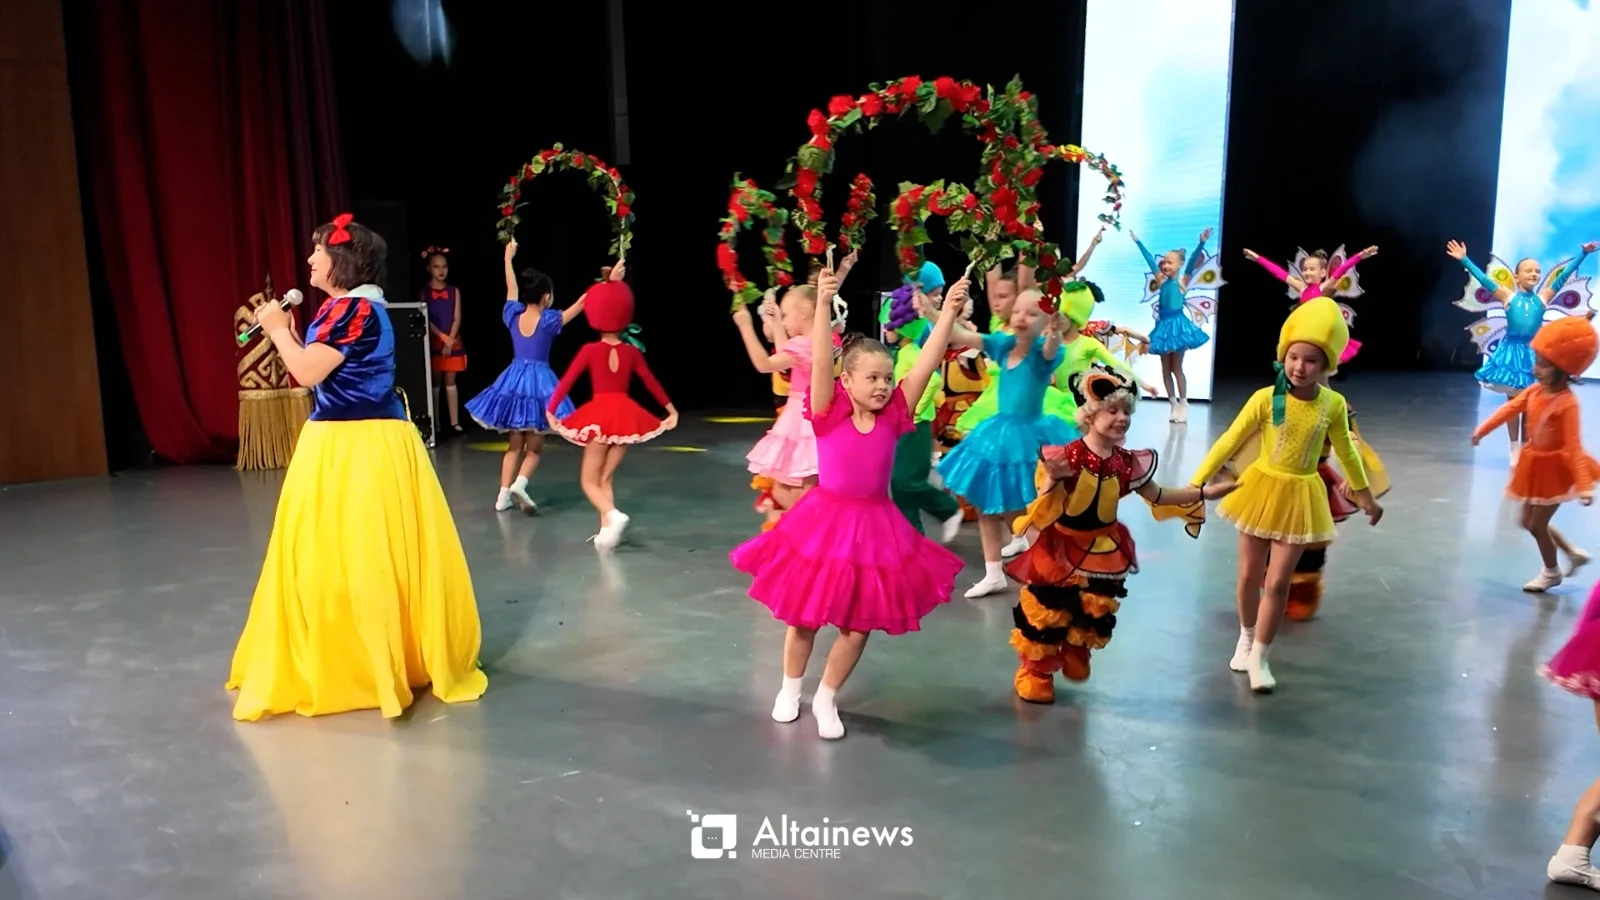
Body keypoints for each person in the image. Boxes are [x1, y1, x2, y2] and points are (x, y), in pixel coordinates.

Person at [227, 213, 487, 720]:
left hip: (351, 448)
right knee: (374, 552)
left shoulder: (348, 310)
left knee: (349, 555)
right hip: (374, 441)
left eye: (318, 251)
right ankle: (384, 655)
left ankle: (356, 666)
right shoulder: (363, 308)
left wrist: (278, 330)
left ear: (341, 261)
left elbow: (306, 371)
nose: (309, 259)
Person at [729, 262, 968, 740]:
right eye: (873, 378)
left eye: (887, 378)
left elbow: (926, 362)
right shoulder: (828, 411)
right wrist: (821, 303)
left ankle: (827, 695)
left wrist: (946, 315)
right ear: (848, 381)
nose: (882, 386)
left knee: (858, 625)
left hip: (875, 526)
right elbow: (821, 362)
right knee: (804, 615)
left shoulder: (895, 412)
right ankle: (789, 688)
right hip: (824, 521)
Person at [1189, 297, 1382, 693]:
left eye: (1311, 360)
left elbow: (1347, 451)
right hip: (1260, 489)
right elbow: (1230, 440)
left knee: (1278, 582)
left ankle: (1260, 655)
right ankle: (1246, 637)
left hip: (1300, 495)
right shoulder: (1266, 398)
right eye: (1294, 357)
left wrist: (1366, 496)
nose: (1300, 367)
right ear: (1283, 357)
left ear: (1326, 364)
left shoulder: (1333, 404)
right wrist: (1197, 483)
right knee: (1249, 575)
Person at [1006, 364, 1233, 702]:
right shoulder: (1067, 456)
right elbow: (1043, 504)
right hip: (1061, 547)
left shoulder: (1126, 463)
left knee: (1095, 608)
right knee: (1047, 613)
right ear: (1090, 414)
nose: (1122, 418)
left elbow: (1159, 495)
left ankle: (1077, 647)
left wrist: (1203, 493)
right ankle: (1035, 673)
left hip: (1103, 547)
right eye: (1112, 410)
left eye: (1126, 411)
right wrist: (1052, 479)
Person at [466, 241, 623, 511]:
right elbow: (582, 303)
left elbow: (511, 288)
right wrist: (608, 282)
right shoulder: (549, 321)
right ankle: (519, 484)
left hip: (514, 380)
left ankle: (502, 496)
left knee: (514, 444)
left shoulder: (513, 315)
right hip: (539, 383)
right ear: (547, 297)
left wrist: (507, 258)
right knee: (535, 447)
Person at [548, 276, 678, 550]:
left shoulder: (589, 350)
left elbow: (567, 380)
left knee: (588, 480)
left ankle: (613, 515)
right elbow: (650, 381)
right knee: (605, 477)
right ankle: (607, 531)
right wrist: (670, 409)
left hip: (599, 416)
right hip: (624, 418)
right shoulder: (631, 352)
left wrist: (551, 409)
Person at [1471, 312, 1598, 591]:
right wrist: (1482, 430)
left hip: (1556, 470)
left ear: (1563, 369)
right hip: (1534, 463)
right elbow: (1509, 409)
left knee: (1537, 524)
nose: (1535, 369)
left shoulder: (1567, 404)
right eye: (1536, 362)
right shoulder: (1534, 392)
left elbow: (1573, 446)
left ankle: (1551, 572)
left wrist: (1584, 485)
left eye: (1543, 365)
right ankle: (1571, 553)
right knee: (1527, 522)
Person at [1449, 239, 1596, 460]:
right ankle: (1514, 447)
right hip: (1511, 354)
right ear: (1516, 277)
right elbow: (1485, 280)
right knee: (1513, 401)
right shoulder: (1508, 297)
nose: (1534, 274)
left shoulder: (1542, 298)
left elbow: (1563, 277)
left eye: (1537, 271)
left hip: (1533, 355)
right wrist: (1465, 260)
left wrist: (1582, 255)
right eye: (1529, 271)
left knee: (1530, 402)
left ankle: (1526, 446)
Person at [1131, 227, 1220, 422]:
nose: (1165, 265)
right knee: (1165, 368)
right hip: (1163, 327)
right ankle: (1172, 404)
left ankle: (1184, 403)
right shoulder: (1161, 281)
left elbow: (1192, 263)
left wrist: (1202, 243)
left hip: (1178, 326)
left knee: (1176, 368)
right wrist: (1138, 242)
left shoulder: (1183, 281)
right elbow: (1149, 260)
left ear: (1179, 265)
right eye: (1164, 262)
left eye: (1170, 262)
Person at [421, 246, 467, 434]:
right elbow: (425, 318)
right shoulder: (425, 292)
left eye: (444, 267)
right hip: (435, 340)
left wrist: (450, 340)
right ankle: (436, 423)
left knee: (450, 378)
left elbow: (457, 318)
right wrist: (442, 337)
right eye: (436, 266)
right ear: (429, 269)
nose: (441, 270)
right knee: (435, 381)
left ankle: (454, 422)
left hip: (452, 341)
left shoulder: (454, 291)